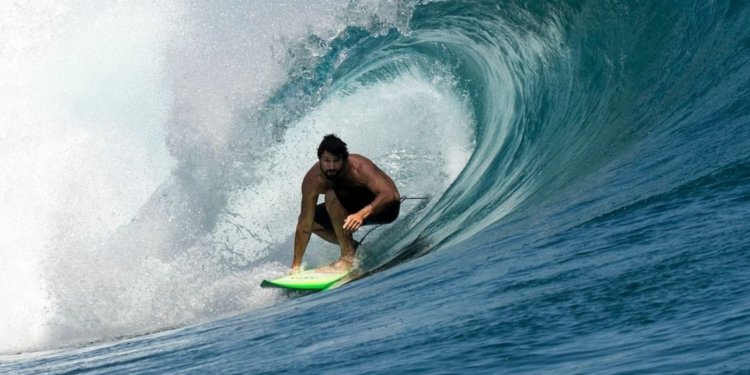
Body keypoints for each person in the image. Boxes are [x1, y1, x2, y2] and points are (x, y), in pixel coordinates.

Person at [291, 134, 401, 274]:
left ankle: (347, 259)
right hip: (349, 208)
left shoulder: (359, 168)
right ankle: (351, 247)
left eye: (336, 161)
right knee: (309, 220)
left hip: (385, 209)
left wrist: (362, 214)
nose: (331, 166)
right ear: (320, 159)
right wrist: (295, 266)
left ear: (344, 159)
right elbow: (304, 224)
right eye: (326, 161)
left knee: (331, 195)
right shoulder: (313, 180)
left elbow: (389, 194)